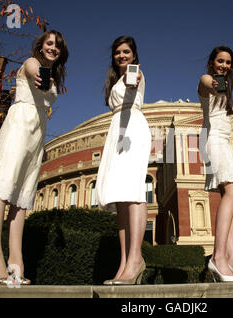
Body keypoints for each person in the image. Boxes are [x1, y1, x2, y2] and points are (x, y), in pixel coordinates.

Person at [0, 30, 69, 285]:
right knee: (1, 189)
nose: (53, 48)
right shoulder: (32, 63)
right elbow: (33, 71)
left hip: (36, 134)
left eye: (57, 46)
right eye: (49, 43)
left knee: (21, 198)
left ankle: (16, 263)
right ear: (40, 46)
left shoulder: (53, 76)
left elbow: (47, 89)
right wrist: (40, 75)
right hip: (19, 127)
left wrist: (48, 82)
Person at [95, 35, 151, 285]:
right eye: (118, 52)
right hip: (117, 130)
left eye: (126, 51)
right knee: (120, 198)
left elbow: (133, 80)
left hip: (132, 129)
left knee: (133, 192)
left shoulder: (134, 72)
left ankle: (136, 259)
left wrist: (131, 80)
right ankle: (124, 263)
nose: (122, 55)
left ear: (134, 55)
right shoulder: (113, 80)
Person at [198, 46, 233, 282]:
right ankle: (218, 257)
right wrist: (214, 83)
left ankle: (232, 262)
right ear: (212, 62)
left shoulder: (227, 87)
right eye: (220, 61)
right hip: (213, 138)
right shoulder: (206, 79)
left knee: (229, 196)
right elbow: (206, 84)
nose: (224, 65)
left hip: (224, 139)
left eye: (228, 62)